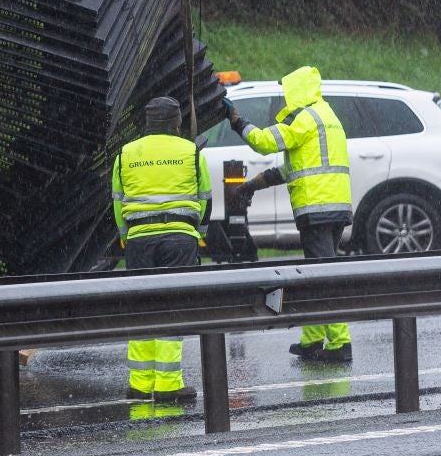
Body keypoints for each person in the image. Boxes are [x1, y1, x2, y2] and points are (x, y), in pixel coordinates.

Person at [231, 66, 353, 362]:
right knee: (316, 274)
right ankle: (312, 340)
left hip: (316, 206)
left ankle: (340, 344)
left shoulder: (305, 118)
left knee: (323, 277)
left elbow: (263, 142)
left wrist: (237, 121)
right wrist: (253, 185)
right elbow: (289, 169)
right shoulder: (327, 116)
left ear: (298, 89)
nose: (285, 96)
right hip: (335, 205)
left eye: (287, 90)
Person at [112, 96, 210, 402]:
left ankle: (140, 384)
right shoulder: (191, 152)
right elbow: (204, 197)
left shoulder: (126, 153)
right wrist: (197, 233)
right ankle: (168, 385)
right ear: (176, 122)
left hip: (140, 238)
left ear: (147, 123)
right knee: (172, 307)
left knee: (142, 307)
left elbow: (117, 201)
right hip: (179, 236)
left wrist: (126, 235)